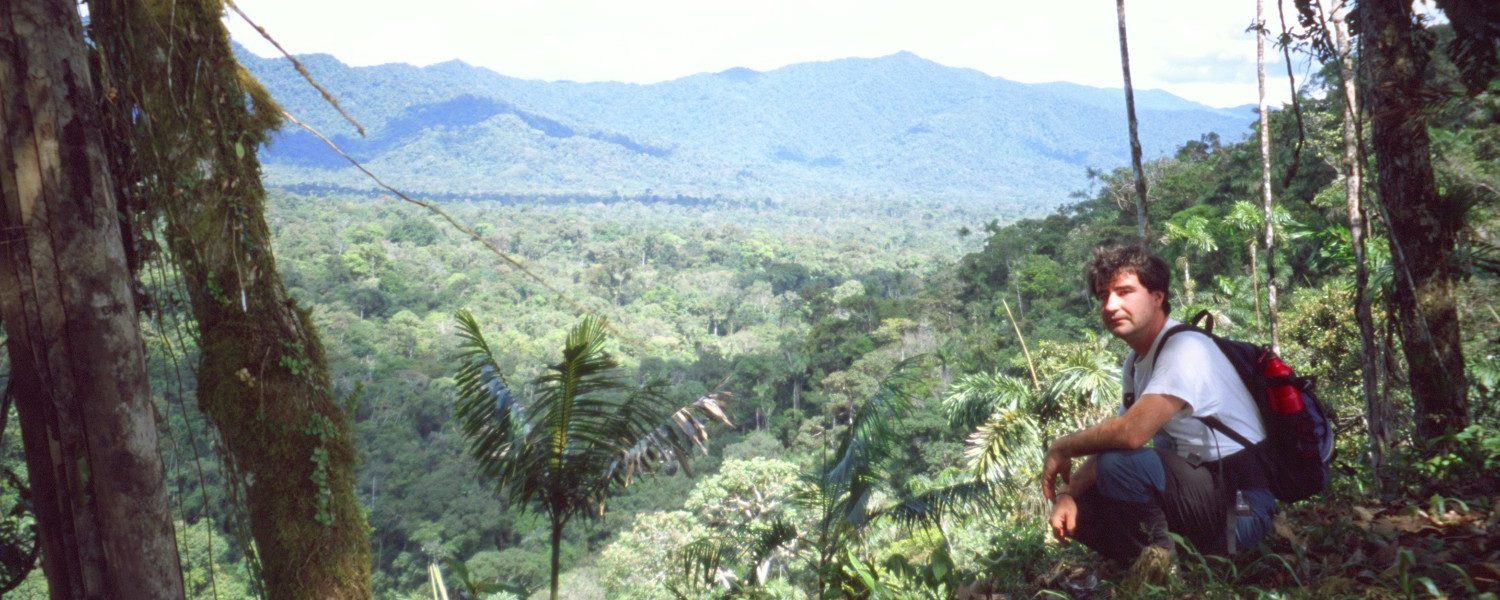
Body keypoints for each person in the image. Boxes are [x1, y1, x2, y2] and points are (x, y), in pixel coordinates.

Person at [1041, 245, 1276, 577]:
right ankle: (1167, 562)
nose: (1110, 305)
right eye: (1103, 296)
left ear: (1157, 297)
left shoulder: (1185, 349)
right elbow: (1116, 440)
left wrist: (1062, 446)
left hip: (1242, 507)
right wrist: (1068, 495)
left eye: (1124, 292)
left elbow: (1130, 435)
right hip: (1205, 493)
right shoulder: (1136, 361)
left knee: (1119, 465)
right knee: (1082, 506)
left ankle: (1169, 566)